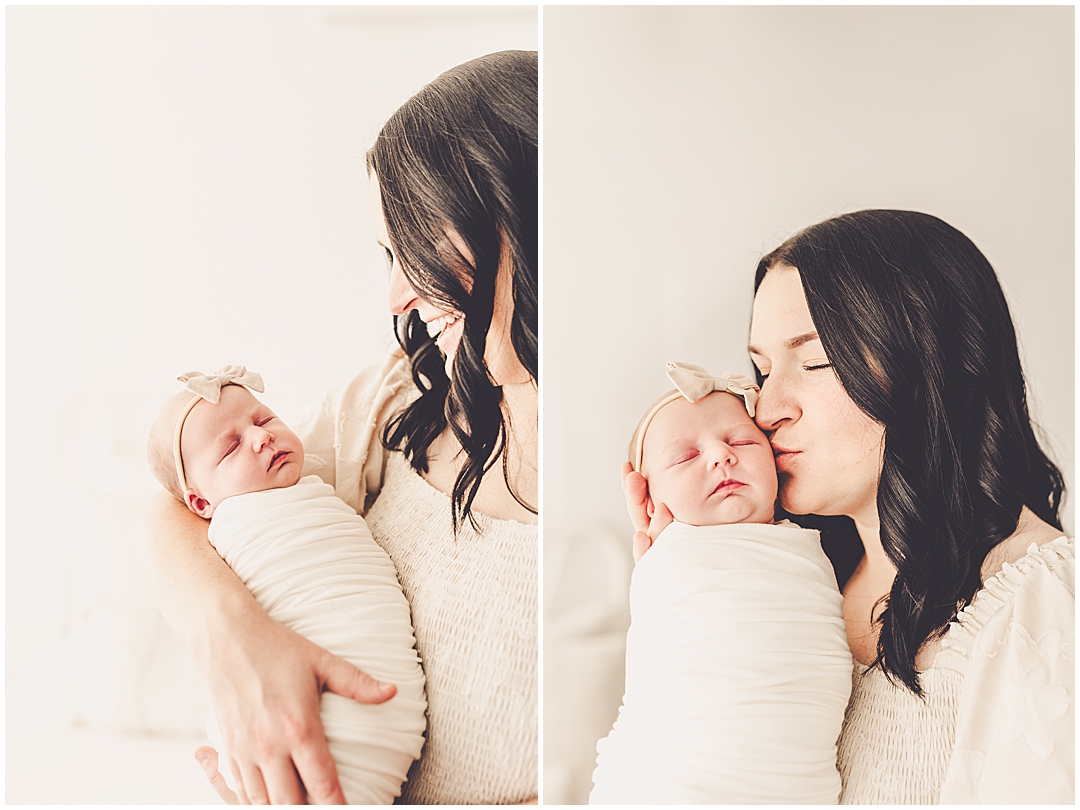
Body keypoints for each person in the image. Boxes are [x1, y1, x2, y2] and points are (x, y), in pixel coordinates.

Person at [141, 50, 537, 805]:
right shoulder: (398, 402)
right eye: (388, 255)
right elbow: (171, 501)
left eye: (415, 248)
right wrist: (230, 641)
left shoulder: (663, 471)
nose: (396, 294)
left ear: (517, 215)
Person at [625, 209, 1073, 803]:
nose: (764, 409)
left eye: (815, 362)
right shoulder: (793, 585)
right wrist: (688, 607)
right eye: (760, 370)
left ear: (932, 365)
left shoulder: (1038, 610)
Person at [146, 366, 427, 804]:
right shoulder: (230, 526)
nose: (261, 438)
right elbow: (160, 518)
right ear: (202, 503)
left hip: (373, 684)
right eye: (231, 447)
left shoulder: (311, 477)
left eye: (263, 420)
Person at [591, 362, 851, 804]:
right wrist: (659, 570)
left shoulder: (815, 547)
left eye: (741, 441)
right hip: (662, 784)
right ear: (651, 499)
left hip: (791, 785)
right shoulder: (668, 560)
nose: (721, 456)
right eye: (687, 457)